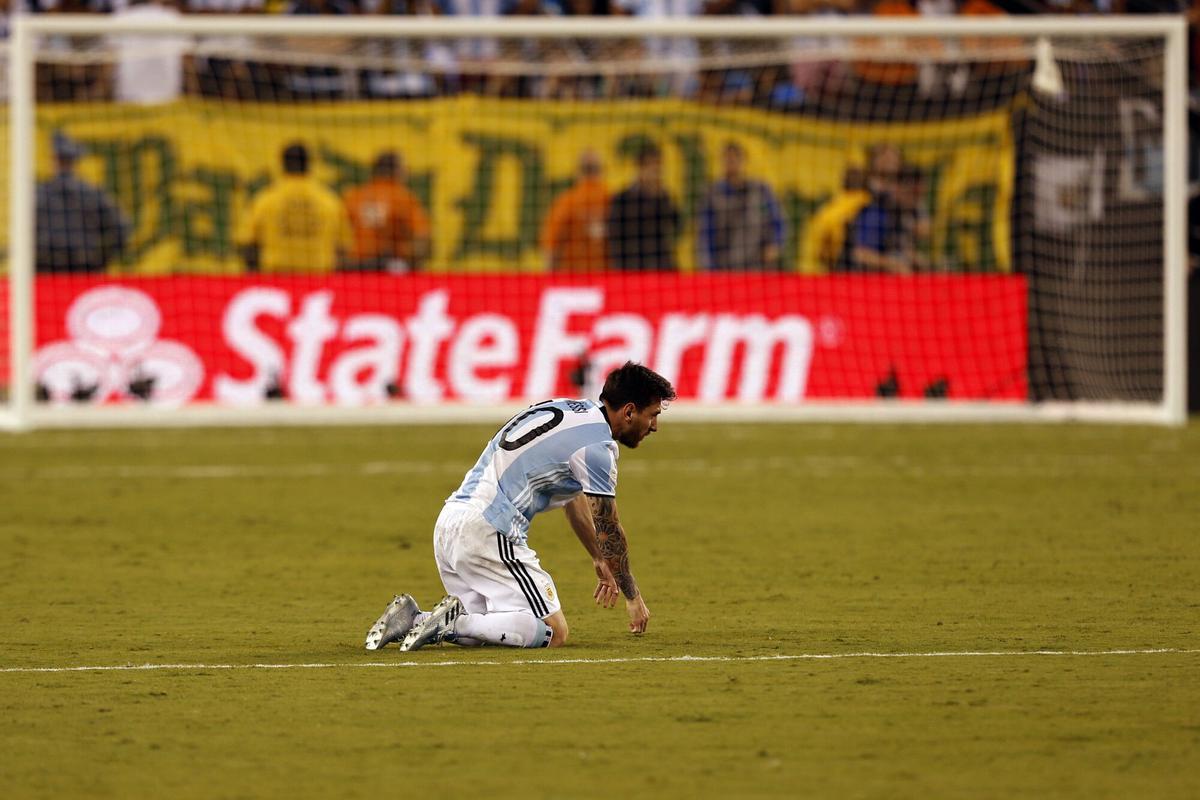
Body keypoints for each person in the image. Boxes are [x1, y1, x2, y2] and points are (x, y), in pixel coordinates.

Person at [364, 361, 676, 652]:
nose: (654, 426)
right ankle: (452, 621)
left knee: (483, 632)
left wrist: (598, 556)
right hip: (488, 529)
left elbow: (573, 498)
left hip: (450, 523)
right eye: (653, 415)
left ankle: (412, 619)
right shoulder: (597, 447)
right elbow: (609, 527)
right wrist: (632, 595)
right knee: (552, 631)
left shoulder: (567, 408)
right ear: (629, 411)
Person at [235, 142, 353, 274]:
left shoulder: (265, 199)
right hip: (318, 277)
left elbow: (247, 243)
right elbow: (343, 247)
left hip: (276, 276)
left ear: (282, 164)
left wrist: (257, 276)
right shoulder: (330, 201)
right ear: (309, 165)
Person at [36, 131, 131, 274]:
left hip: (47, 273)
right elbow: (122, 228)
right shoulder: (93, 194)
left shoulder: (38, 194)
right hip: (85, 271)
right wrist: (101, 260)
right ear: (74, 162)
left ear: (53, 159)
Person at [696, 141, 785, 271]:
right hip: (725, 267)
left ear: (744, 161)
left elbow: (777, 221)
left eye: (735, 158)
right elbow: (705, 233)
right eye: (727, 159)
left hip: (758, 266)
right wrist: (708, 267)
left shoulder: (760, 190)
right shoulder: (712, 194)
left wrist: (775, 244)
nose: (731, 163)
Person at [342, 151, 432, 272]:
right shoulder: (403, 197)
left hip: (355, 268)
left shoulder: (353, 196)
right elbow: (422, 237)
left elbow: (339, 238)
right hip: (387, 268)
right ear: (397, 171)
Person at [607, 143, 682, 271]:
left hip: (662, 268)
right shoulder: (622, 199)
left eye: (659, 165)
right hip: (633, 269)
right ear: (640, 168)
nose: (656, 170)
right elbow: (615, 238)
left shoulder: (663, 196)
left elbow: (677, 224)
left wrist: (659, 197)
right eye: (651, 165)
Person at [540, 149, 610, 272]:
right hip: (605, 277)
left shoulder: (567, 201)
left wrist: (549, 276)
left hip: (572, 277)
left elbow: (551, 246)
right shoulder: (611, 200)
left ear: (578, 172)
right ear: (601, 170)